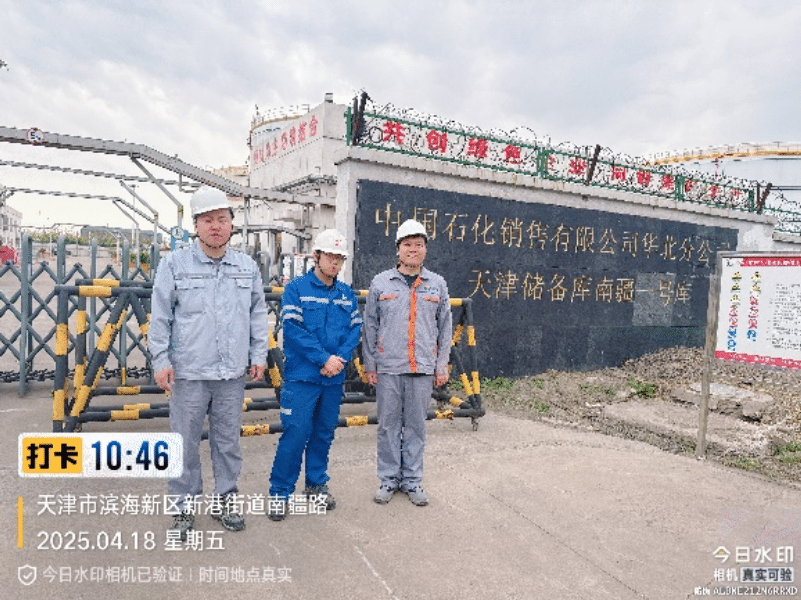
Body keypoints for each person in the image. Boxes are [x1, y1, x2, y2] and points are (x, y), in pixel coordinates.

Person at [149, 186, 268, 540]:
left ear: (232, 225)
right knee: (183, 442)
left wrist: (259, 354)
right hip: (189, 372)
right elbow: (160, 316)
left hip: (231, 373)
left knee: (228, 442)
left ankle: (225, 500)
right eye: (207, 220)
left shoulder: (246, 267)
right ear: (196, 226)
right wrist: (160, 359)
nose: (215, 226)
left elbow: (258, 314)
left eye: (221, 219)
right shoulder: (174, 264)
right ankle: (183, 507)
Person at [267, 229, 363, 521]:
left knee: (323, 433)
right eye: (330, 256)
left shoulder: (346, 293)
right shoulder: (296, 289)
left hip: (333, 378)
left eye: (340, 258)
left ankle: (316, 483)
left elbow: (355, 330)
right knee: (296, 434)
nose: (335, 262)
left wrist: (339, 360)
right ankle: (280, 493)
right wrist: (324, 359)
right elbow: (293, 330)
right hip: (302, 378)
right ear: (317, 256)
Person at [363, 219, 452, 506]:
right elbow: (370, 326)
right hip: (389, 367)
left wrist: (441, 365)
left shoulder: (437, 284)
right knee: (387, 426)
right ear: (398, 249)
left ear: (425, 249)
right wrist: (370, 363)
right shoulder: (381, 283)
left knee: (416, 427)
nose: (413, 250)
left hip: (422, 368)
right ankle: (388, 479)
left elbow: (445, 328)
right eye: (408, 245)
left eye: (419, 245)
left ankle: (412, 481)